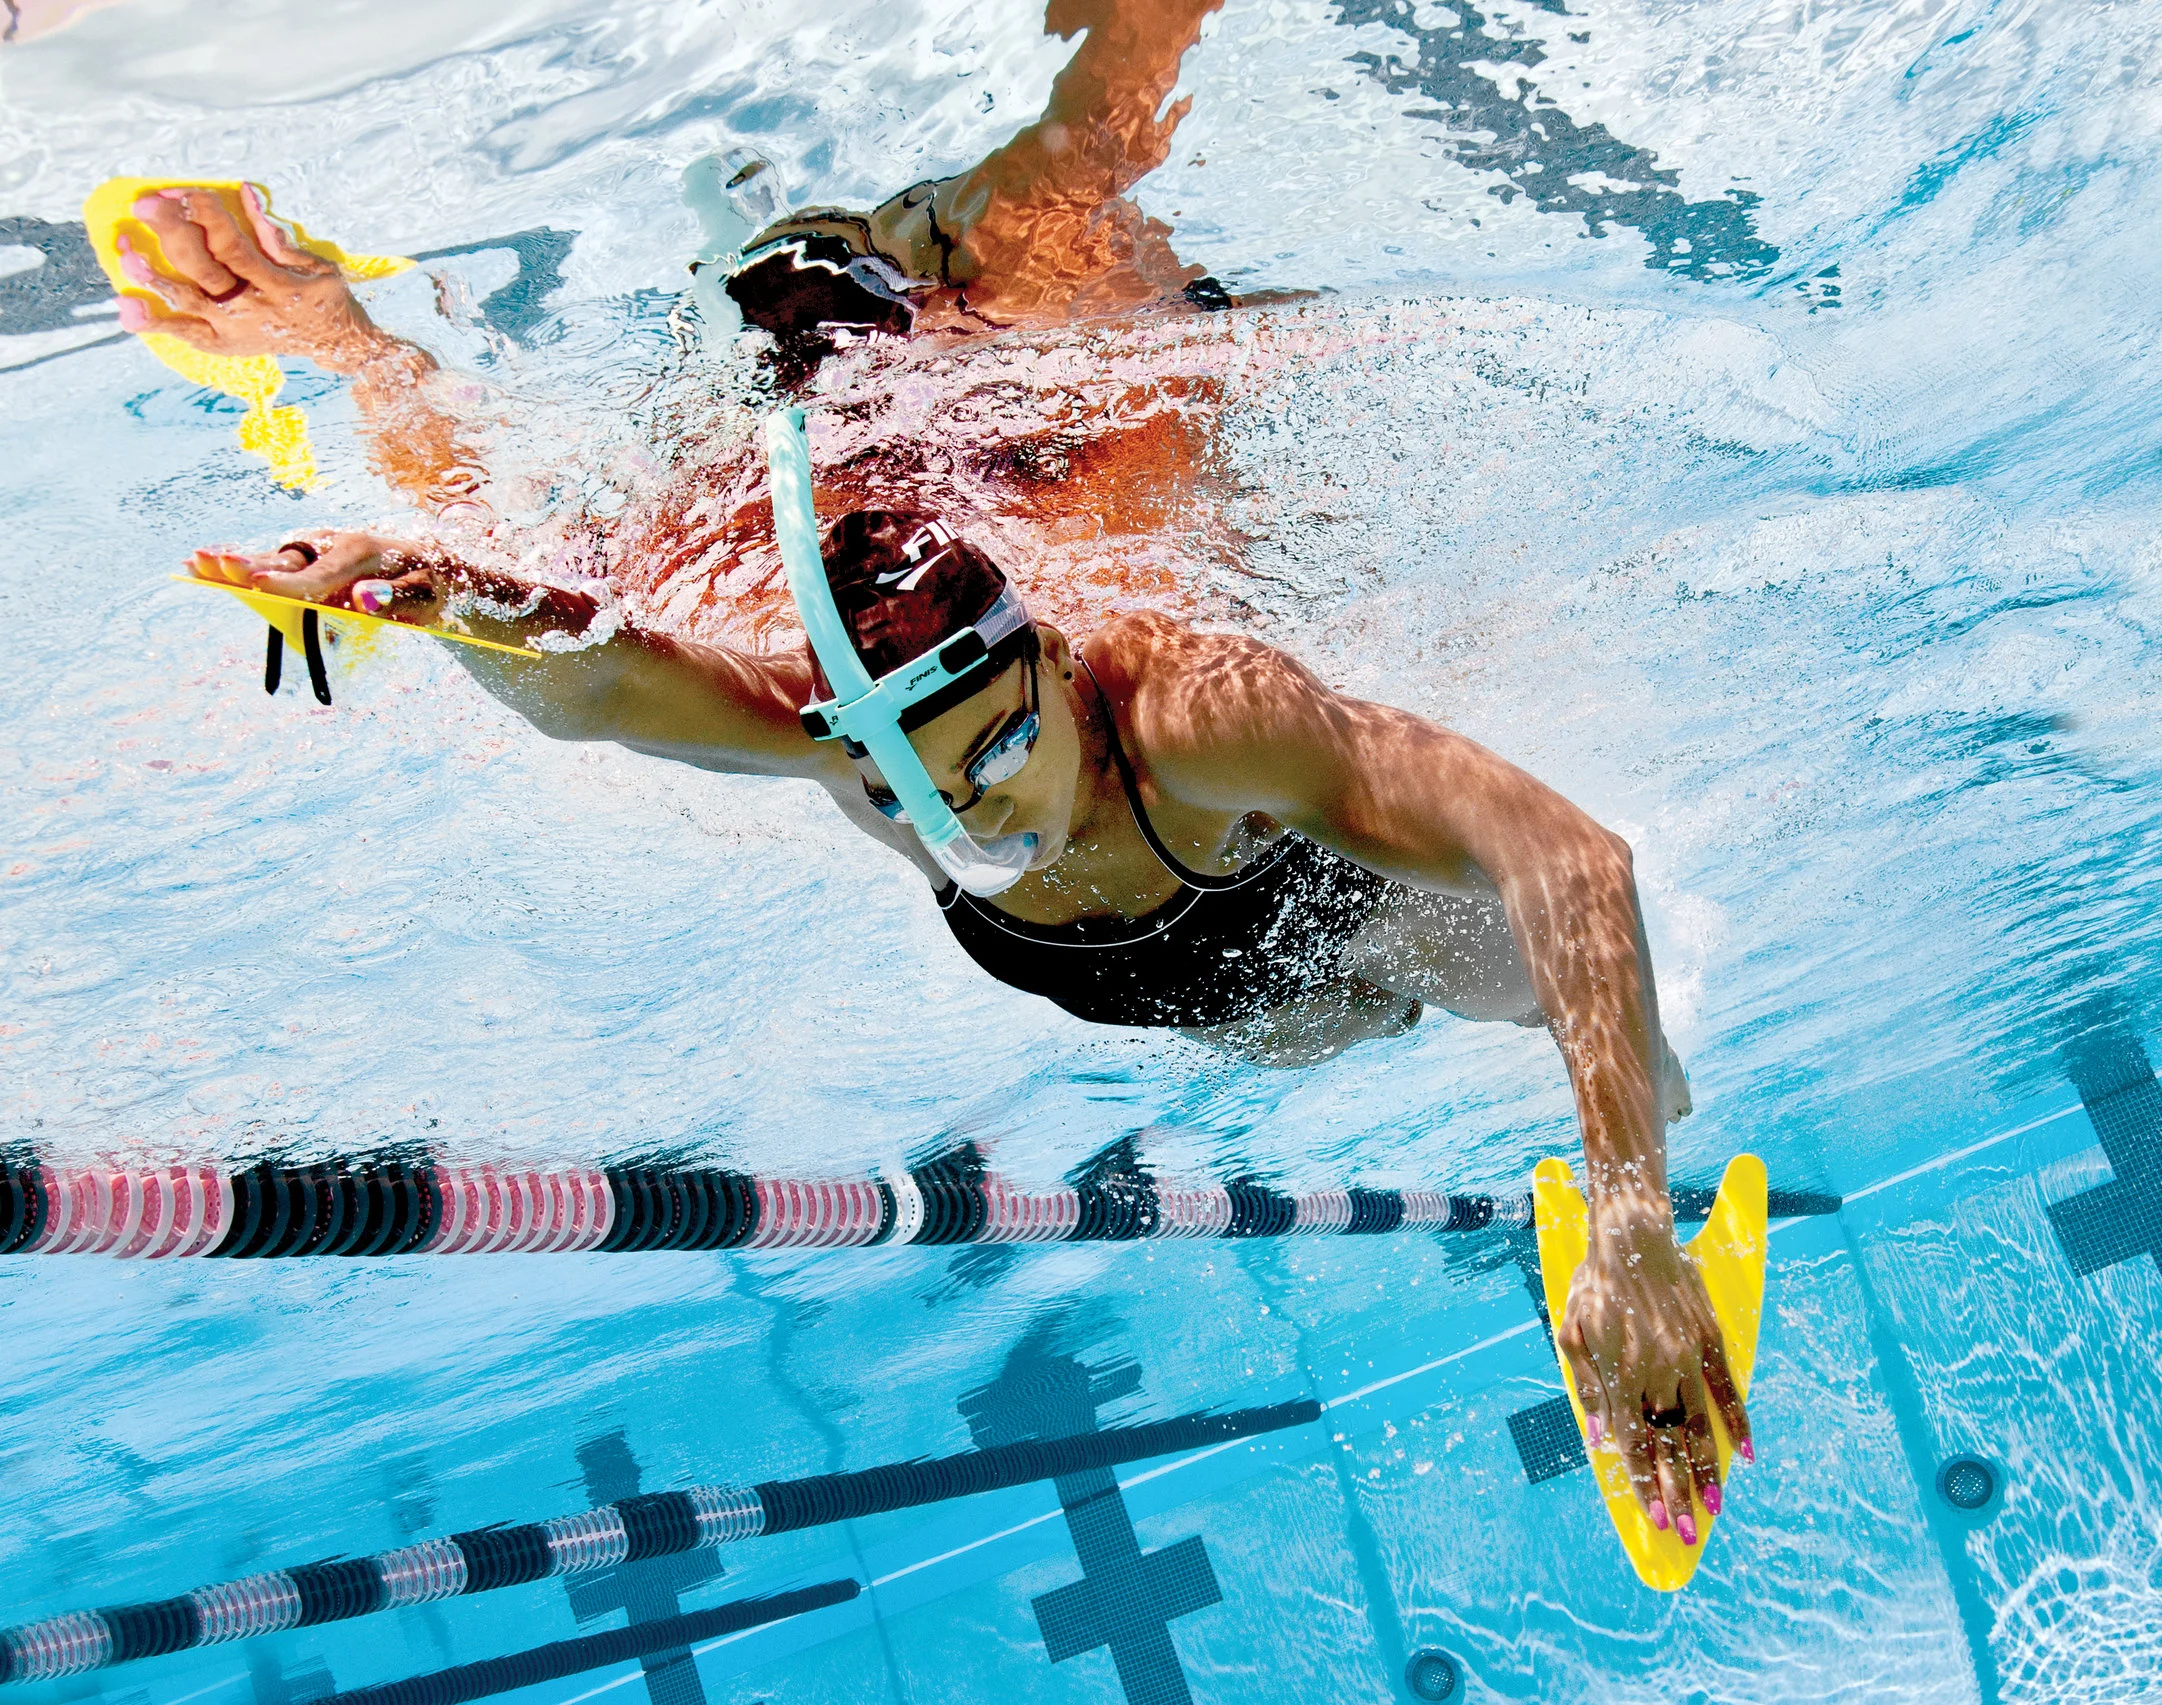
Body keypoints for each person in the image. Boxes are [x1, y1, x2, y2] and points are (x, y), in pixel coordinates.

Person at [115, 0, 1753, 1545]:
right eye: (904, 789)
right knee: (1288, 1044)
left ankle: (1645, 1133)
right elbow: (590, 668)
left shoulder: (1188, 706)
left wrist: (1630, 1220)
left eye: (998, 748)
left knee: (1532, 1009)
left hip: (1319, 889)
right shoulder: (827, 693)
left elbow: (1566, 857)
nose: (965, 817)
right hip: (1143, 977)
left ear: (1052, 661)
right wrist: (363, 382)